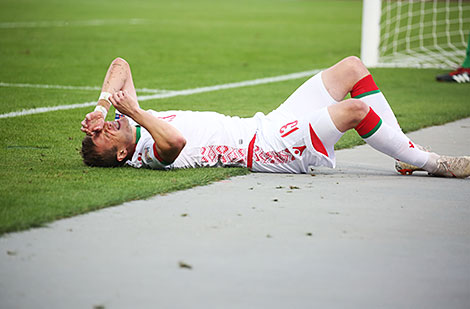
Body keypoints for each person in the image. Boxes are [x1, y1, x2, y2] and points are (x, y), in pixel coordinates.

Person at [80, 57, 470, 178]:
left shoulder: (133, 124)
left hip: (266, 123)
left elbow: (121, 65)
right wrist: (134, 111)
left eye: (105, 125)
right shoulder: (147, 150)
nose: (109, 126)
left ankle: (405, 149)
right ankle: (431, 162)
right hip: (268, 149)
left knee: (351, 68)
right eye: (105, 134)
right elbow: (176, 143)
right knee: (357, 111)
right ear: (119, 155)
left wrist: (101, 107)